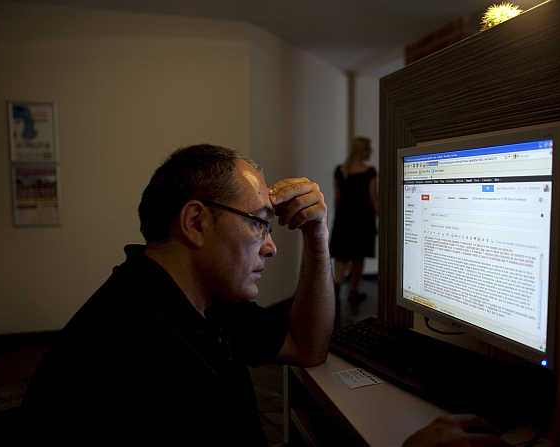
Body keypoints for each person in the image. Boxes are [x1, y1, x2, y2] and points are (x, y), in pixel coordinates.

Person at [20, 144, 334, 444]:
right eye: (258, 223)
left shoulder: (202, 298)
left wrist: (317, 235)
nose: (271, 247)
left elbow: (306, 346)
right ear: (195, 222)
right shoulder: (139, 349)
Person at [329, 136, 378, 305]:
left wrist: (340, 218)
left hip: (343, 220)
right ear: (362, 151)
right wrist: (381, 218)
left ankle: (334, 293)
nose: (370, 152)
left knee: (341, 259)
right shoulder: (369, 172)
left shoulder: (340, 171)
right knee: (359, 258)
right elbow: (373, 199)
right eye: (368, 149)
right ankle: (353, 292)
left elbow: (337, 198)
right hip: (363, 220)